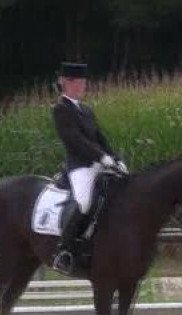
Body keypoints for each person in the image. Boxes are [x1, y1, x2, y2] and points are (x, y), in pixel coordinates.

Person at [52, 62, 127, 273]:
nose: (84, 86)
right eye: (81, 83)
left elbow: (99, 137)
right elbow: (75, 140)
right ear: (68, 83)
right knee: (84, 203)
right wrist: (101, 158)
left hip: (99, 163)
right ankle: (64, 251)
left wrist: (114, 158)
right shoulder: (61, 109)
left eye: (85, 82)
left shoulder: (85, 109)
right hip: (80, 167)